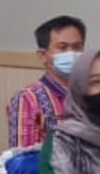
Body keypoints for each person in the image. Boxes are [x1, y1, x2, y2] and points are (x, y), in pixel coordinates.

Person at [7, 15, 86, 148]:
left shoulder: (92, 93)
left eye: (77, 47)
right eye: (62, 48)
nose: (71, 54)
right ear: (43, 56)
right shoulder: (28, 98)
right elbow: (23, 156)